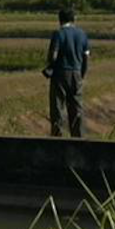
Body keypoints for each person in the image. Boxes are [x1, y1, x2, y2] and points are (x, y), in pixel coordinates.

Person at [42, 8, 91, 138]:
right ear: (74, 19)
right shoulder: (82, 34)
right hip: (76, 73)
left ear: (60, 19)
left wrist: (50, 67)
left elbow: (53, 55)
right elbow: (86, 58)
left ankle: (57, 137)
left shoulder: (58, 33)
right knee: (76, 109)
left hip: (60, 73)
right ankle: (78, 137)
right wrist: (82, 75)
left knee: (57, 108)